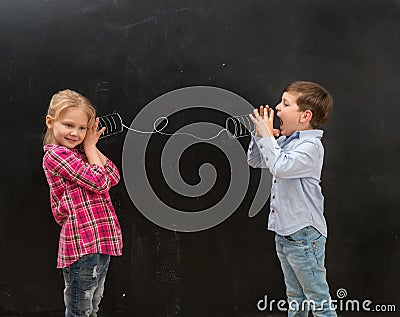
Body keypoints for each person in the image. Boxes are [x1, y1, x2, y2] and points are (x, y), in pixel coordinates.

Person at [248, 81, 336, 316]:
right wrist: (261, 136)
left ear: (305, 116)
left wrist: (268, 138)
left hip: (304, 234)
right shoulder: (288, 141)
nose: (277, 108)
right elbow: (256, 161)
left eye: (285, 103)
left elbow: (279, 167)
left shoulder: (311, 147)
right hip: (286, 233)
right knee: (295, 298)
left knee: (318, 300)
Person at [42, 89, 123, 317]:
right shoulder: (56, 155)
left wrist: (90, 147)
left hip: (100, 238)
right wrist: (90, 147)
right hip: (81, 242)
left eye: (82, 128)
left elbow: (113, 175)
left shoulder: (79, 152)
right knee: (80, 308)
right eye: (69, 125)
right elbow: (100, 181)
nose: (75, 133)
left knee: (93, 303)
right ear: (51, 122)